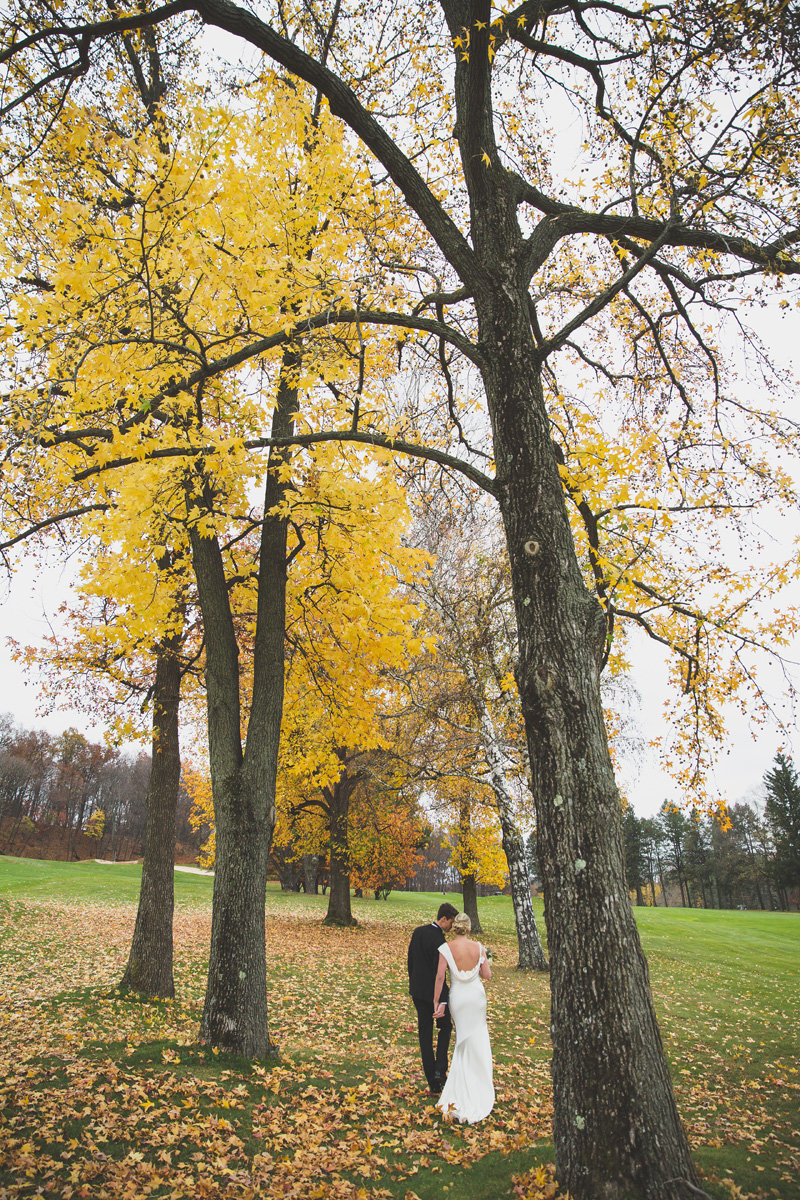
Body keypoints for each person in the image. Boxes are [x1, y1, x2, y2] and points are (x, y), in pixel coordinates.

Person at [433, 911, 494, 1123]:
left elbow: (440, 977)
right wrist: (485, 961)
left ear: (455, 927)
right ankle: (479, 1084)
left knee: (462, 1040)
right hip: (476, 997)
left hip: (458, 997)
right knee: (478, 1036)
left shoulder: (445, 949)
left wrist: (436, 1002)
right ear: (468, 928)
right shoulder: (479, 948)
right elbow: (486, 975)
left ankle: (460, 1086)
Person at [407, 901, 458, 1093]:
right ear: (443, 919)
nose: (451, 927)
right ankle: (439, 1069)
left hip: (418, 992)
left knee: (425, 1035)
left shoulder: (418, 932)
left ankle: (432, 1079)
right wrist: (441, 1000)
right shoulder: (440, 942)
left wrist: (413, 983)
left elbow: (410, 961)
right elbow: (440, 975)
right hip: (434, 995)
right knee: (445, 1027)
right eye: (450, 922)